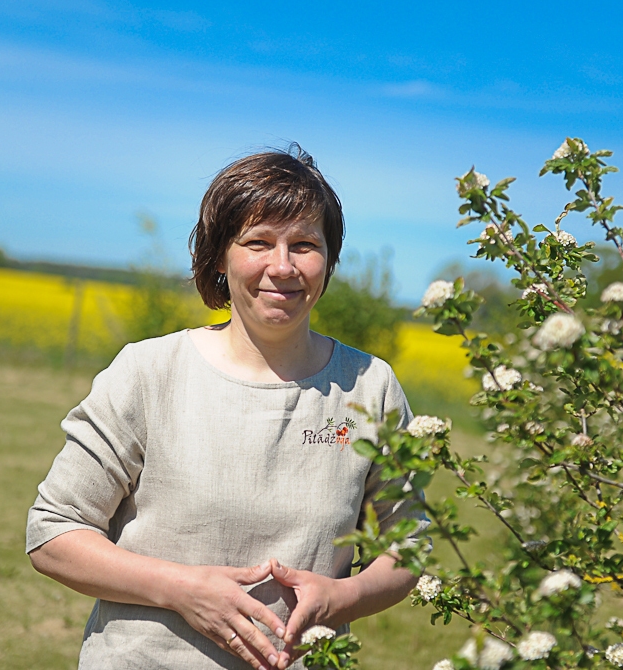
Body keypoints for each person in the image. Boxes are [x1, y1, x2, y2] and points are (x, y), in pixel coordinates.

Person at [26, 146, 427, 670]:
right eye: (257, 242)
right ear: (220, 256)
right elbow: (54, 534)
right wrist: (183, 589)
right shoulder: (149, 372)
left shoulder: (370, 387)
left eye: (304, 245)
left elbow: (411, 546)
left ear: (329, 259)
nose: (281, 267)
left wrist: (341, 597)